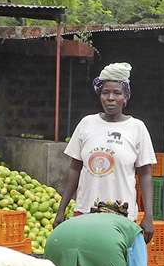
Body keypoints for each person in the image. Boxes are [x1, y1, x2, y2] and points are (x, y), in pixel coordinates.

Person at [55, 62, 157, 245]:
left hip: (121, 215)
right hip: (86, 211)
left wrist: (149, 216)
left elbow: (146, 174)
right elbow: (74, 169)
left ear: (125, 98)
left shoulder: (137, 128)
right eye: (105, 93)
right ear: (99, 96)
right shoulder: (86, 124)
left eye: (117, 93)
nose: (110, 98)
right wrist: (61, 210)